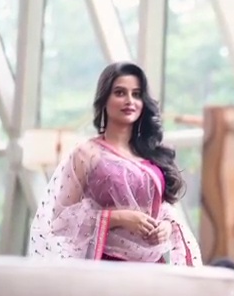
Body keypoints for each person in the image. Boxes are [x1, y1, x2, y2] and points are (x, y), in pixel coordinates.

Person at [28, 61, 202, 266]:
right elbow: (60, 221)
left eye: (136, 94)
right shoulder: (87, 153)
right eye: (120, 93)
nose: (130, 101)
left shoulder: (151, 153)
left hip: (153, 266)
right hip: (106, 267)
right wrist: (117, 218)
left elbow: (161, 208)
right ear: (104, 99)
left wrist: (166, 226)